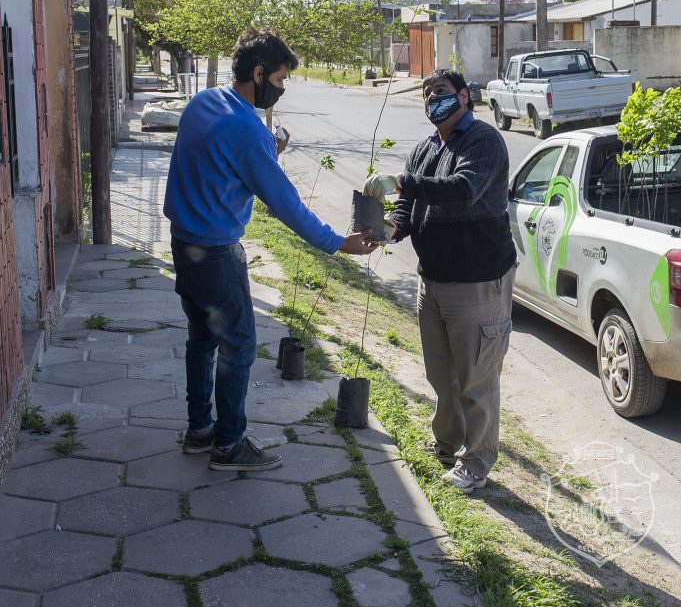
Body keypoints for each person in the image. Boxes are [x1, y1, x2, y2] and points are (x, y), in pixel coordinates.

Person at [164, 28, 376, 471]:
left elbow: (219, 168)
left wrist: (268, 153)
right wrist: (337, 243)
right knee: (239, 346)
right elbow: (286, 205)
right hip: (217, 253)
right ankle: (228, 445)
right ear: (259, 73)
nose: (279, 90)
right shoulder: (247, 130)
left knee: (203, 340)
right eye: (279, 80)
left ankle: (200, 430)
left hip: (184, 244)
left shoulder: (204, 103)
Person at [362, 69, 516, 492]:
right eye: (428, 93)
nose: (434, 99)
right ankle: (447, 445)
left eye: (443, 92)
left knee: (476, 378)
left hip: (477, 281)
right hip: (432, 280)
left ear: (465, 97)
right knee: (441, 374)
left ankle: (477, 462)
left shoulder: (483, 140)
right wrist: (389, 229)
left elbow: (463, 189)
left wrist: (403, 181)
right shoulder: (423, 148)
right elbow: (408, 207)